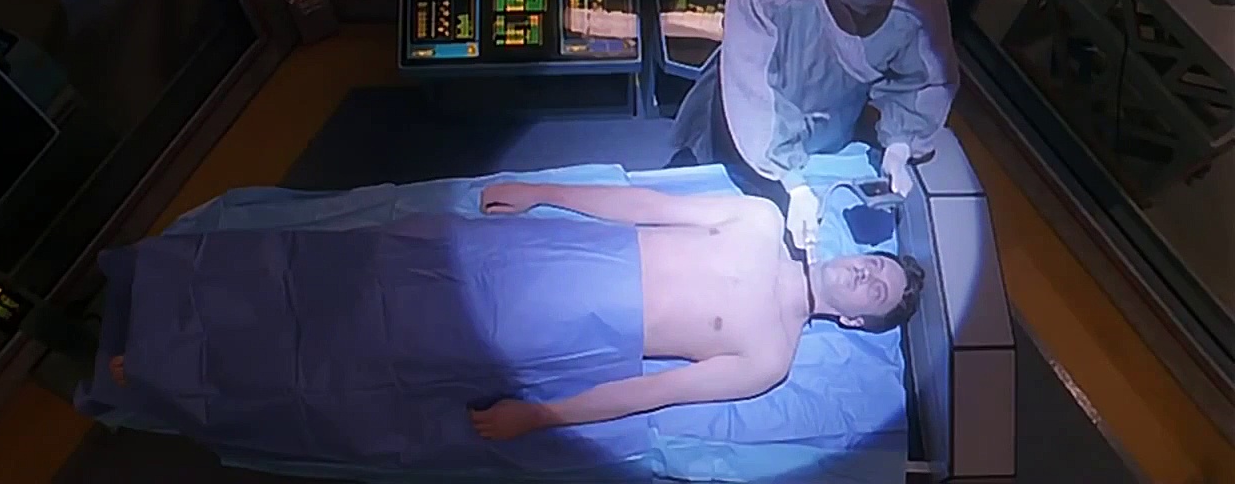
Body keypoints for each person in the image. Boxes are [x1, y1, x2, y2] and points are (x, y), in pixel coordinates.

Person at [107, 181, 925, 443]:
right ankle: (168, 289)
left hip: (564, 334)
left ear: (857, 321)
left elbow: (653, 392)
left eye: (876, 290)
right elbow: (642, 204)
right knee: (354, 265)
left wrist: (540, 416)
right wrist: (544, 192)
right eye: (875, 262)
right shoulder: (756, 219)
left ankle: (160, 367)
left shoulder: (770, 356)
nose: (865, 273)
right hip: (549, 254)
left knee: (365, 353)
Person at [670, 0, 959, 252]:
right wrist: (791, 179)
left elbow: (926, 82)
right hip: (745, 118)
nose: (860, 16)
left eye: (874, 8)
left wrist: (901, 143)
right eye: (849, 3)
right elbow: (753, 84)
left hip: (832, 123)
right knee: (707, 208)